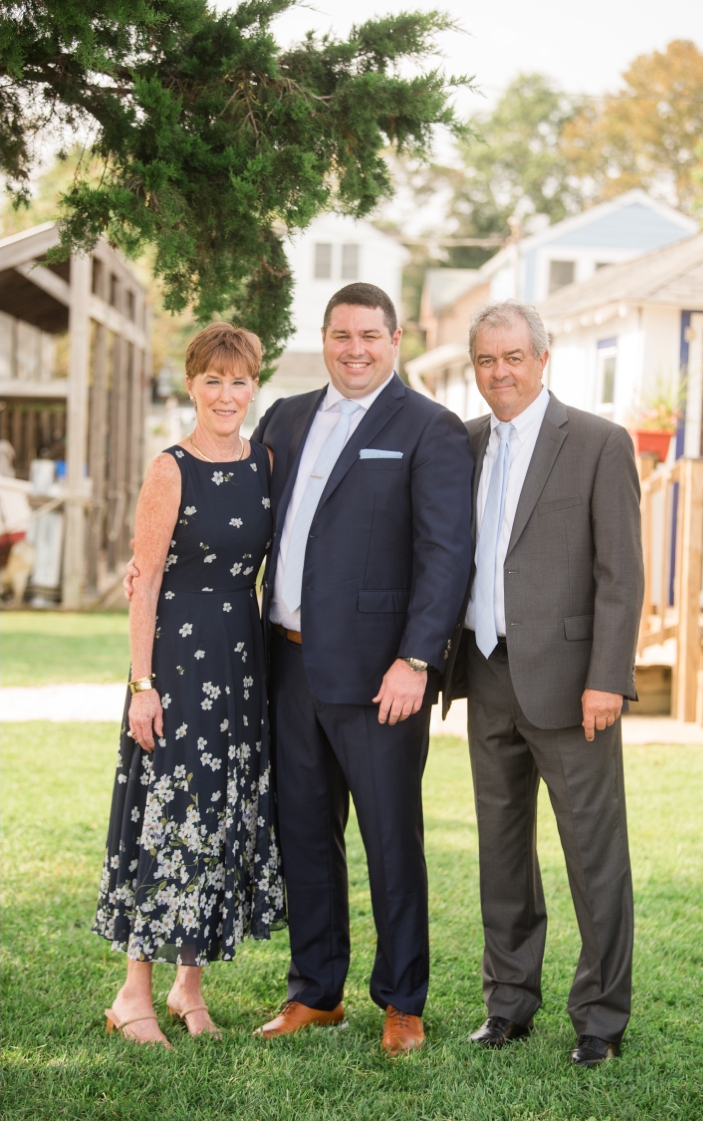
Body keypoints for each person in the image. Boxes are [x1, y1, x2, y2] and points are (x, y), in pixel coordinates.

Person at [252, 283, 472, 1055]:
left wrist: (417, 659)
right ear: (324, 337)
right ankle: (317, 990)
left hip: (383, 675)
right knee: (304, 834)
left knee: (390, 838)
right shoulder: (284, 416)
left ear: (397, 338)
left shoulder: (429, 428)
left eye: (370, 336)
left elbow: (446, 558)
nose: (355, 349)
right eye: (342, 335)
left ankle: (402, 999)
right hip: (288, 663)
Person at [441, 300, 642, 1068]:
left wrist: (607, 679)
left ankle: (600, 1017)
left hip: (572, 685)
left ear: (543, 359)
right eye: (487, 360)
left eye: (514, 357)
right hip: (486, 671)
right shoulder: (463, 444)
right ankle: (508, 1004)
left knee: (593, 854)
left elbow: (620, 574)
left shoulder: (596, 442)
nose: (500, 372)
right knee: (501, 848)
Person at [97, 323, 285, 1047]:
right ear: (192, 385)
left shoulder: (265, 461)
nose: (227, 394)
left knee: (220, 821)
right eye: (213, 380)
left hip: (241, 663)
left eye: (239, 381)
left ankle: (188, 985)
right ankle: (132, 992)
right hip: (176, 665)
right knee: (168, 818)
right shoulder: (170, 467)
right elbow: (142, 586)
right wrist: (141, 682)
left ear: (253, 386)